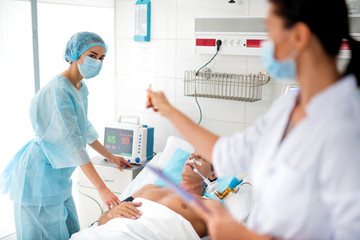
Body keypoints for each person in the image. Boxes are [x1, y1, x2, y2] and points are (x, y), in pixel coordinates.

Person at [146, 0, 360, 239]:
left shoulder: (345, 127)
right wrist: (168, 109)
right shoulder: (287, 108)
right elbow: (227, 152)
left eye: (269, 30)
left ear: (299, 36)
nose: (265, 43)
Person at [0, 32, 132, 240]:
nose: (97, 62)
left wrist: (111, 156)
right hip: (38, 178)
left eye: (101, 58)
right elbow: (72, 144)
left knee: (71, 233)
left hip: (57, 179)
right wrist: (102, 189)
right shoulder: (59, 90)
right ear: (75, 54)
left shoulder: (79, 88)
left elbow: (83, 129)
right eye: (92, 55)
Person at [71, 152, 219, 239]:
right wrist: (112, 214)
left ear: (212, 174)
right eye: (192, 154)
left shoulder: (209, 205)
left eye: (202, 158)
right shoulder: (149, 188)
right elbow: (102, 221)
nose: (193, 157)